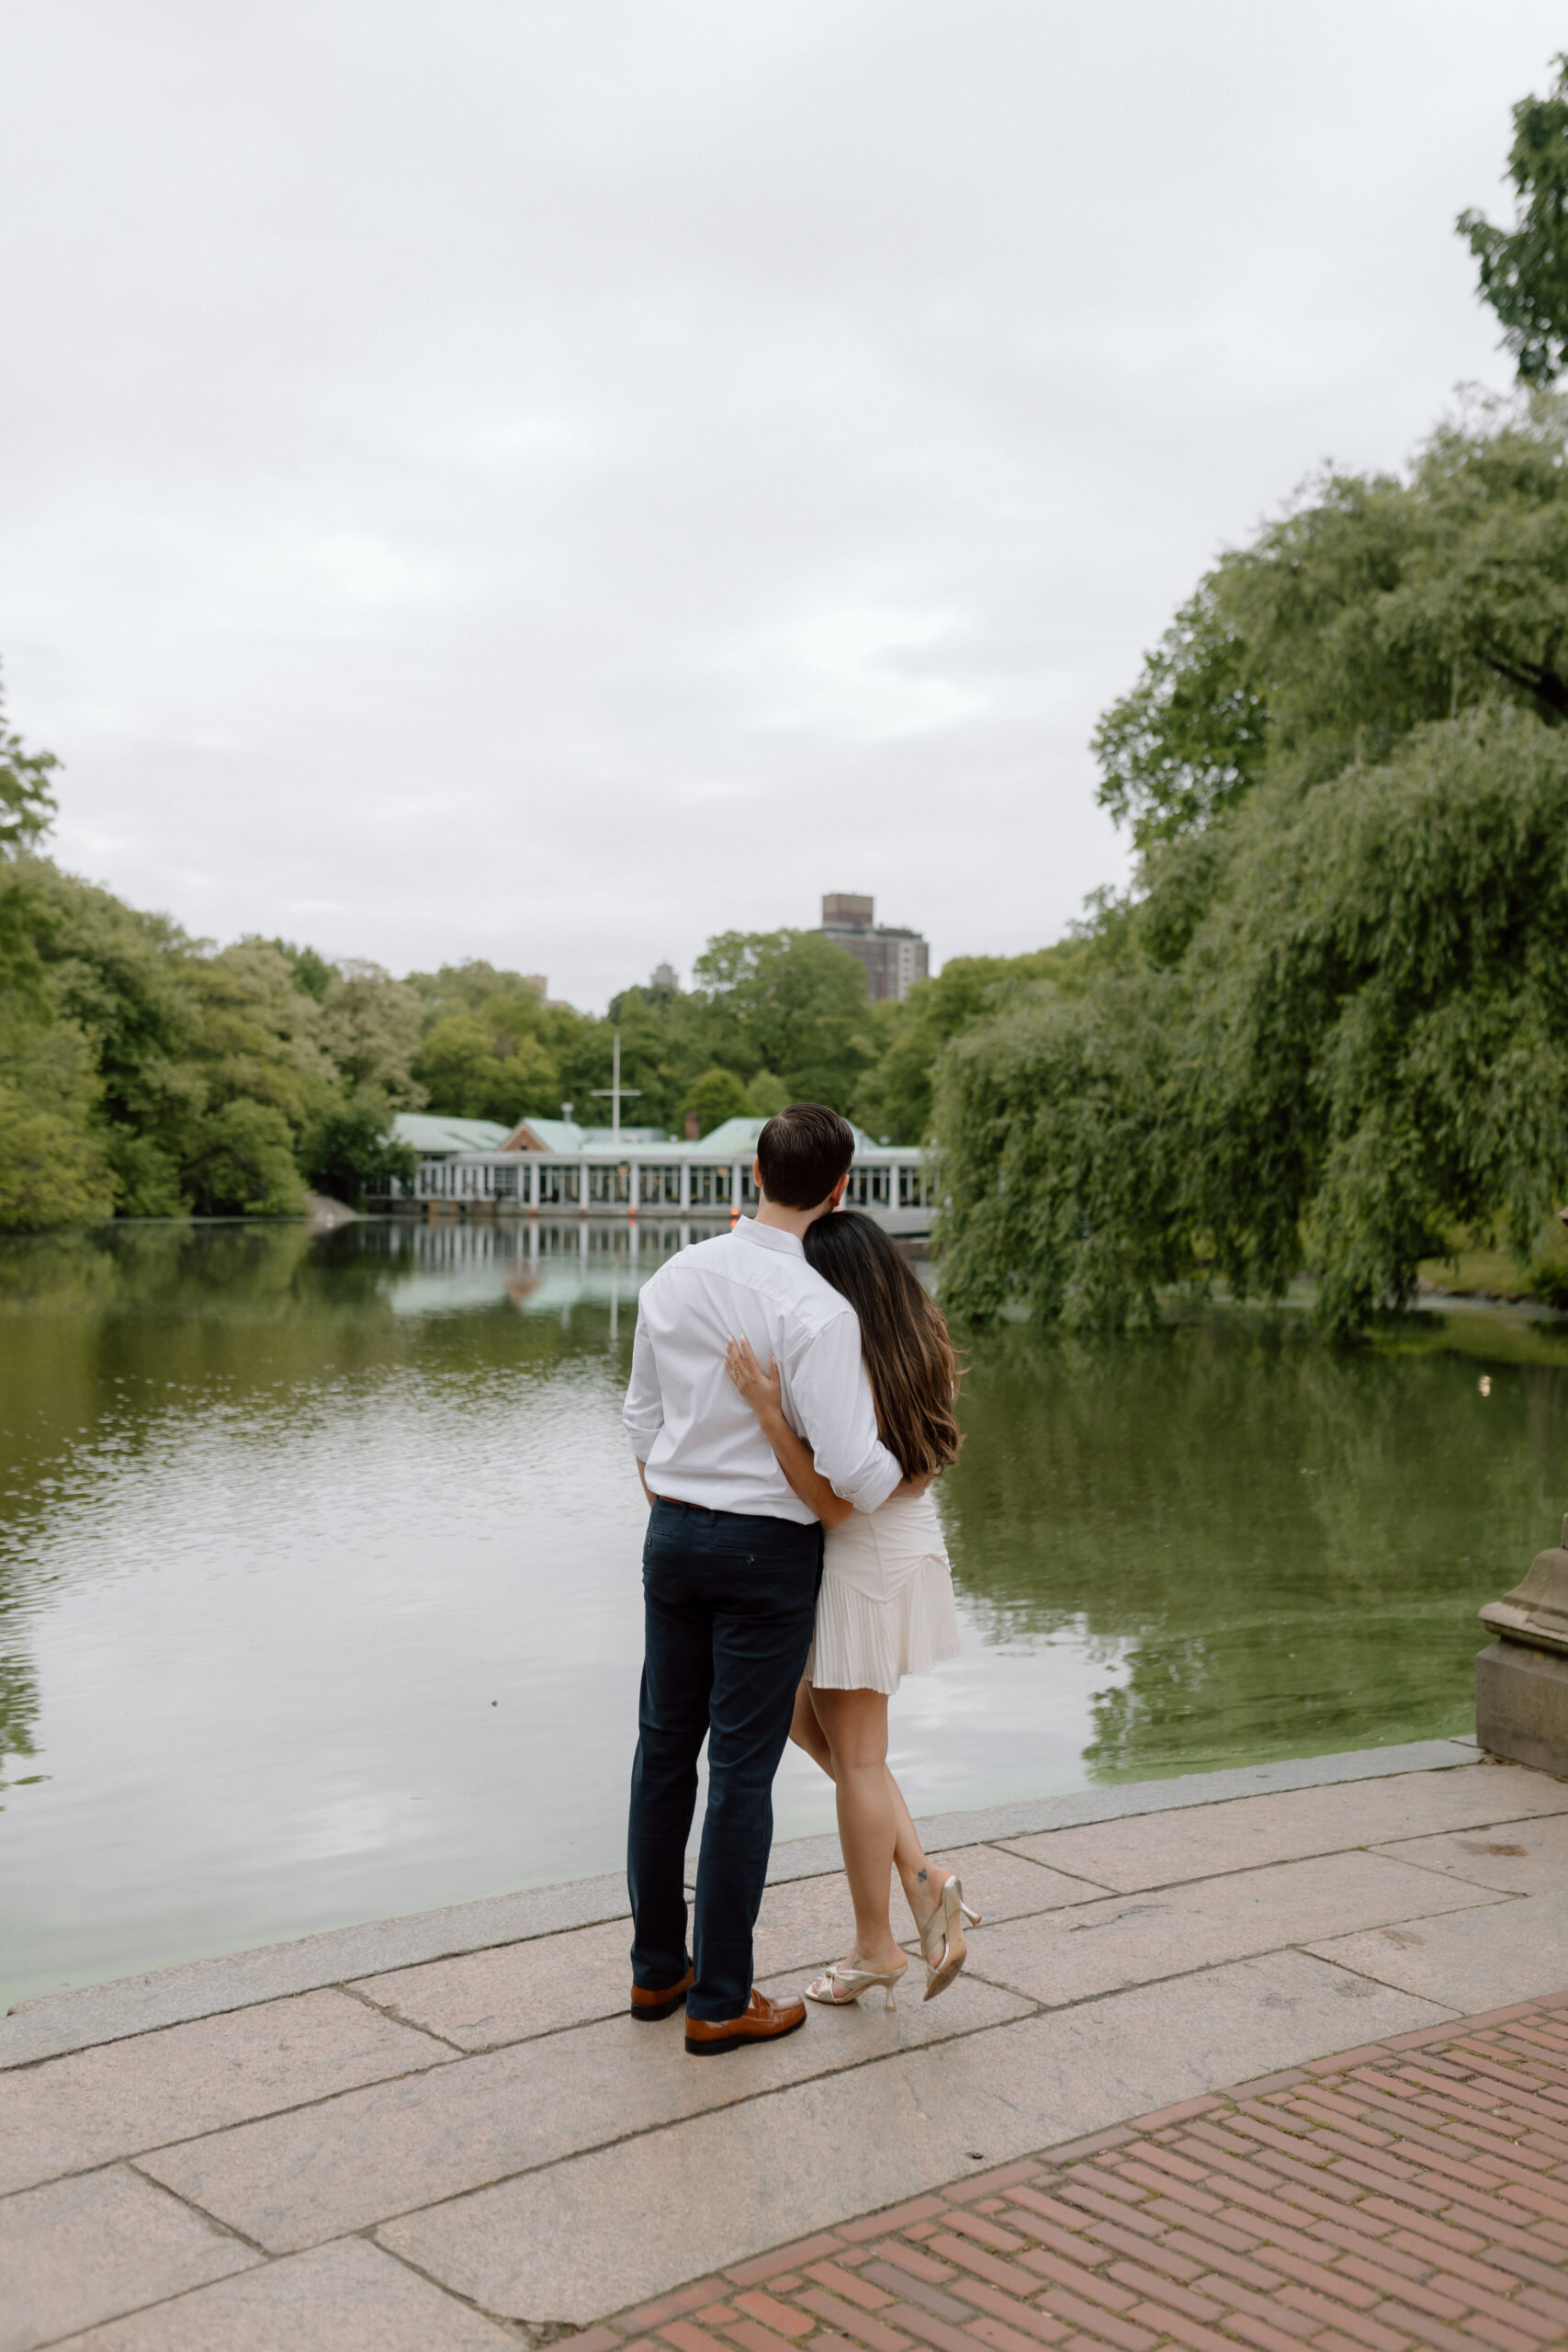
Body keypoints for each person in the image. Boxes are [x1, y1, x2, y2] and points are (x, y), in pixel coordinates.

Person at [622, 1103, 913, 2055]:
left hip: (672, 1536)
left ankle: (656, 1968)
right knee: (741, 1770)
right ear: (840, 1190)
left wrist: (680, 1499)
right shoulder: (817, 1311)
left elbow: (639, 1420)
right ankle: (721, 2000)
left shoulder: (673, 1276)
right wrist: (910, 1469)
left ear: (753, 1172)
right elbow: (859, 1472)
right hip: (766, 1550)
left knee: (663, 1749)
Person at [724, 1209, 977, 2010]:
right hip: (906, 1553)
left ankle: (877, 1946)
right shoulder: (916, 1342)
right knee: (812, 1723)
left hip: (861, 1560)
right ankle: (922, 1878)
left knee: (857, 1758)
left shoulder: (844, 1360)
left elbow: (833, 1495)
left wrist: (768, 1409)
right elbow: (914, 1468)